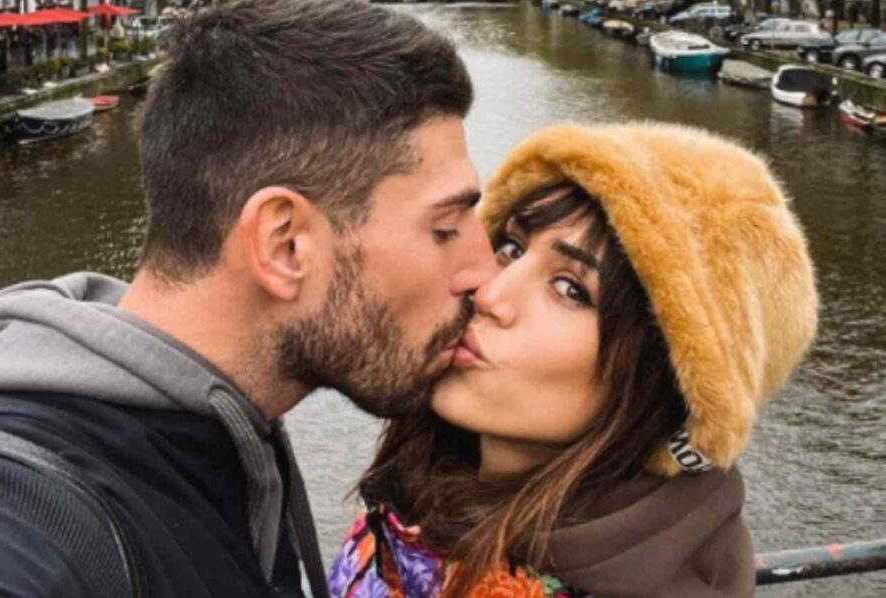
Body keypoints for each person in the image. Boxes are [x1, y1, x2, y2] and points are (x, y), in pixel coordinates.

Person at [0, 0, 495, 596]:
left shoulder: (230, 441)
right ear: (285, 245)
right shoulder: (29, 523)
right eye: (445, 228)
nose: (486, 272)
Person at [329, 123, 819, 598]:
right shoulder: (416, 494)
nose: (491, 294)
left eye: (570, 290)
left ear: (667, 381)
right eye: (511, 248)